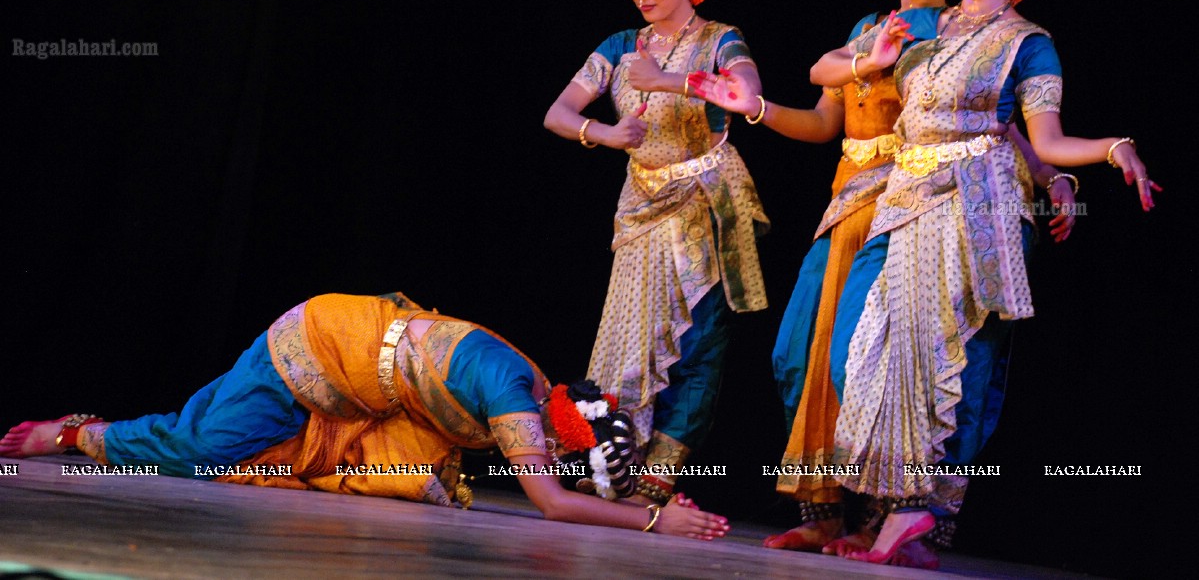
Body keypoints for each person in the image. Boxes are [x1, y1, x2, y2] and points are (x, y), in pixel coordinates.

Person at [687, 0, 1075, 567]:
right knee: (803, 356)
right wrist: (753, 107)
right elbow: (822, 112)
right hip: (848, 202)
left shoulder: (952, 32)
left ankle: (888, 517)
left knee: (912, 366)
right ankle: (827, 508)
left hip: (912, 198)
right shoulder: (879, 25)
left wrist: (1051, 178)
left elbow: (999, 120)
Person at [826, 0, 1158, 564]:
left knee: (955, 363)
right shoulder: (928, 26)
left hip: (975, 207)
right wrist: (871, 60)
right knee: (863, 350)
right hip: (905, 197)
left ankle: (917, 516)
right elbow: (826, 69)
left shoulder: (1027, 43)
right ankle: (902, 510)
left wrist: (1107, 149)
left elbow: (1041, 138)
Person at [0, 291, 730, 539]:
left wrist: (650, 494)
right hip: (317, 345)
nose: (549, 451)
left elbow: (573, 481)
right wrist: (653, 521)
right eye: (564, 449)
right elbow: (551, 503)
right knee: (203, 448)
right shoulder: (515, 393)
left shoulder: (538, 393)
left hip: (365, 390)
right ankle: (72, 432)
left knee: (405, 475)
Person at [544, 0, 769, 505]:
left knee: (698, 340)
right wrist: (605, 134)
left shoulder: (721, 39)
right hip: (641, 202)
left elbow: (747, 97)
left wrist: (672, 81)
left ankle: (662, 473)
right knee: (630, 335)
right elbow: (557, 113)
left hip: (708, 199)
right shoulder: (619, 45)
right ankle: (613, 460)